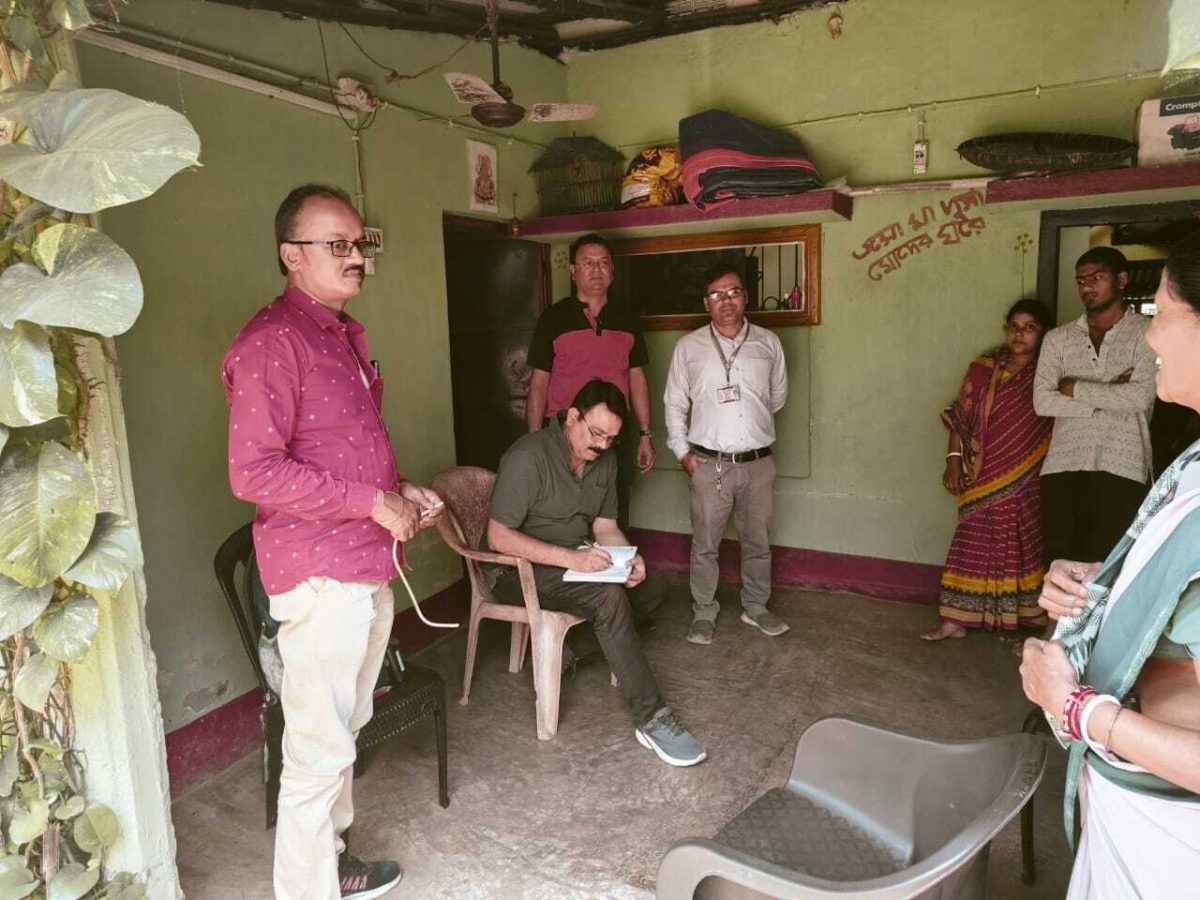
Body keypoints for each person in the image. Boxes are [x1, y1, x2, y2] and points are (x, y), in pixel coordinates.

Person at [222, 184, 443, 900]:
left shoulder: (338, 334)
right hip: (320, 579)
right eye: (337, 245)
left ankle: (334, 863)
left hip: (362, 566)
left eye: (360, 244)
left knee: (345, 730)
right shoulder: (271, 342)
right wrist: (373, 503)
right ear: (292, 255)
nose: (356, 257)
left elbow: (339, 453)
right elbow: (253, 472)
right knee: (317, 751)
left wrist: (399, 490)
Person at [1021, 234, 1200, 898]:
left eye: (1165, 310)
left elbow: (1136, 401)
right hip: (1132, 811)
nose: (1151, 333)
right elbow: (1045, 400)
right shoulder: (1190, 469)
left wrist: (1077, 710)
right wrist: (1110, 579)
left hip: (1173, 843)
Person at [484, 379, 707, 767]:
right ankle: (652, 717)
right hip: (517, 572)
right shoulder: (529, 456)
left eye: (611, 438)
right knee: (608, 598)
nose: (602, 445)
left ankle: (572, 648)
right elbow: (498, 537)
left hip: (574, 562)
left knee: (652, 587)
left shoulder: (605, 460)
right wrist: (571, 560)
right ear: (573, 417)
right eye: (596, 433)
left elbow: (605, 526)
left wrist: (626, 559)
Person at [663, 263, 789, 645]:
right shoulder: (688, 348)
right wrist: (682, 452)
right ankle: (704, 611)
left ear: (745, 297)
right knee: (705, 545)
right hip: (709, 464)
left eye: (733, 292)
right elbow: (674, 403)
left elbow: (777, 398)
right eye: (717, 294)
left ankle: (756, 607)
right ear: (706, 303)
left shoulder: (768, 343)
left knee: (757, 542)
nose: (726, 301)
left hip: (758, 463)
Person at [922, 299, 1054, 641]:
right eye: (1014, 327)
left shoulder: (1050, 370)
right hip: (982, 473)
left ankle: (1026, 615)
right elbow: (960, 416)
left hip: (1029, 474)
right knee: (972, 539)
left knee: (1024, 542)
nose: (1019, 334)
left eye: (1029, 328)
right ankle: (955, 619)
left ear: (1043, 333)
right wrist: (952, 460)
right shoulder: (984, 367)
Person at [1033, 247, 1157, 564]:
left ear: (1122, 280)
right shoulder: (1058, 339)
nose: (1087, 286)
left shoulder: (1147, 332)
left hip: (1124, 463)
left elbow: (1140, 397)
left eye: (1097, 277)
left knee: (1109, 566)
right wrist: (1110, 395)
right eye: (1080, 280)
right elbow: (1042, 401)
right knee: (1060, 564)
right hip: (1064, 463)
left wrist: (1073, 388)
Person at [526, 233, 655, 530]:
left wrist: (645, 434)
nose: (596, 269)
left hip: (614, 433)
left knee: (615, 509)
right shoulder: (552, 319)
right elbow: (539, 383)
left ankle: (613, 560)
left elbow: (637, 379)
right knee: (562, 509)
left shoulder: (627, 319)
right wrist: (535, 439)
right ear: (573, 271)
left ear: (613, 271)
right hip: (565, 432)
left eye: (603, 263)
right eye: (587, 263)